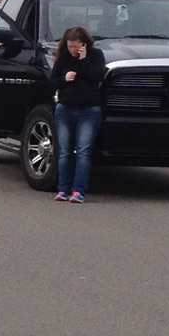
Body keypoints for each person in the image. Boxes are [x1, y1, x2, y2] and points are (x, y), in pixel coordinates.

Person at [50, 24, 106, 202]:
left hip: (89, 110)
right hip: (65, 108)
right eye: (69, 46)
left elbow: (97, 76)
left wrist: (83, 61)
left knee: (83, 151)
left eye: (76, 46)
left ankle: (78, 191)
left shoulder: (95, 56)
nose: (72, 50)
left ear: (84, 44)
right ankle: (62, 189)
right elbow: (53, 81)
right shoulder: (63, 58)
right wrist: (64, 79)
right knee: (64, 151)